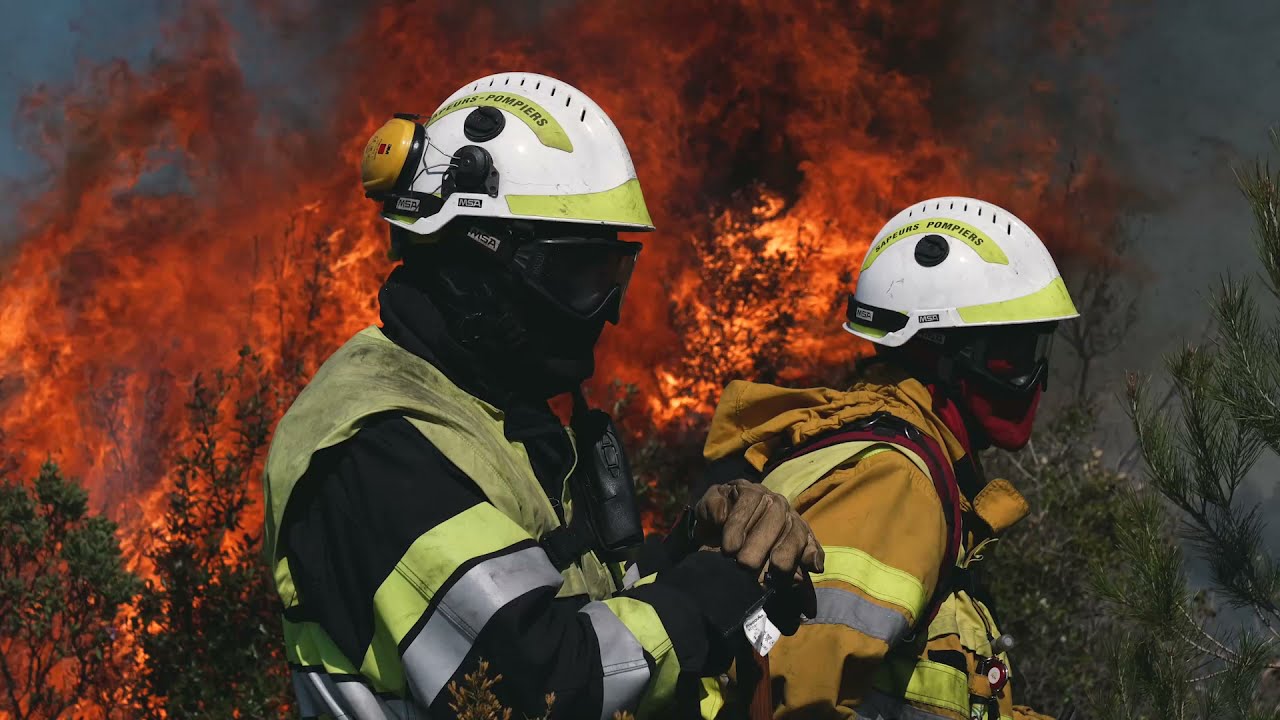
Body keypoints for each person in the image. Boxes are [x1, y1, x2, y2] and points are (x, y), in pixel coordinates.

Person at [261, 72, 823, 720]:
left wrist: (690, 551)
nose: (606, 314)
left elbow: (581, 612)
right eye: (579, 277)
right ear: (477, 264)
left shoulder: (494, 417)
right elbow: (536, 684)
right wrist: (707, 593)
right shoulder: (371, 441)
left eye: (613, 276)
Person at [700, 197, 1076, 719]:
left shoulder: (882, 453)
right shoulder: (894, 481)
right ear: (940, 352)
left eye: (1036, 355)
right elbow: (801, 701)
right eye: (1009, 357)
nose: (1031, 383)